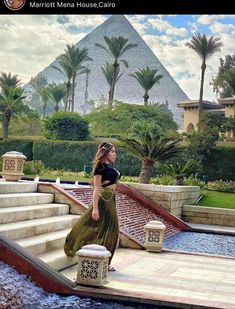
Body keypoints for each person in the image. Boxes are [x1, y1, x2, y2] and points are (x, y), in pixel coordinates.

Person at [64, 142, 121, 271]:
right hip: (103, 200)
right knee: (107, 229)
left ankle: (105, 262)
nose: (115, 154)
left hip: (111, 199)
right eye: (112, 152)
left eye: (114, 152)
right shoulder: (99, 168)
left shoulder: (109, 167)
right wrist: (95, 208)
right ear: (105, 153)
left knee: (111, 231)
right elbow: (96, 189)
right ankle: (73, 243)